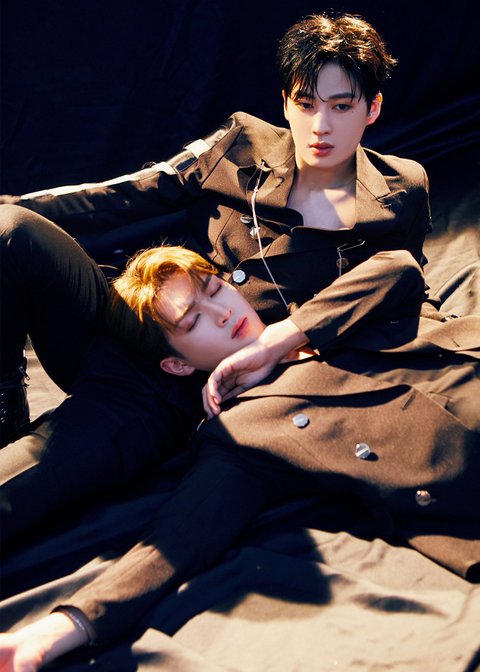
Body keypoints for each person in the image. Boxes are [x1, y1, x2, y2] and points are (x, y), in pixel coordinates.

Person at [0, 12, 433, 536]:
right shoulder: (242, 140)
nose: (321, 126)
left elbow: (400, 290)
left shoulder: (400, 190)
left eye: (341, 107)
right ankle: (5, 400)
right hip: (122, 317)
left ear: (372, 108)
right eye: (306, 104)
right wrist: (13, 201)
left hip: (171, 396)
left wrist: (292, 347)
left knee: (18, 486)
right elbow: (127, 193)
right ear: (286, 103)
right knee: (9, 229)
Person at [1, 244, 478, 671]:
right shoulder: (244, 429)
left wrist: (281, 338)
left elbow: (399, 266)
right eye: (193, 321)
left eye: (214, 289)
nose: (223, 312)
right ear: (178, 365)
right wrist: (56, 632)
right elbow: (180, 538)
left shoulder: (319, 312)